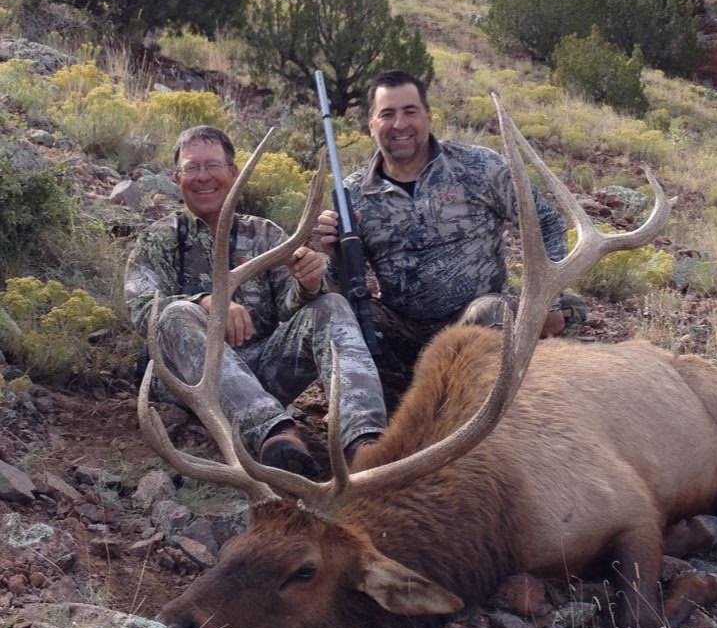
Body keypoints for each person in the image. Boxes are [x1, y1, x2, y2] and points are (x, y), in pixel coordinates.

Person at [125, 125, 386, 478]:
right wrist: (206, 304)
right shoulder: (159, 240)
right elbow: (143, 311)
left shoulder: (266, 235)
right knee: (173, 315)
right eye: (192, 168)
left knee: (332, 306)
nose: (203, 177)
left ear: (234, 173)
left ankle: (366, 444)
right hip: (187, 382)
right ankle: (276, 436)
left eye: (213, 166)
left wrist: (308, 285)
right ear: (177, 178)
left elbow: (289, 309)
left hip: (260, 370)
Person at [317, 71, 573, 409]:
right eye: (387, 114)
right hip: (405, 333)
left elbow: (548, 223)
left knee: (492, 311)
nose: (400, 124)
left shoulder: (480, 168)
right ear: (371, 124)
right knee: (337, 316)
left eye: (410, 111)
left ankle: (501, 420)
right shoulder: (352, 195)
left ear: (428, 116)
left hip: (475, 322)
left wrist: (548, 300)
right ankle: (366, 427)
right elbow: (345, 287)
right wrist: (335, 254)